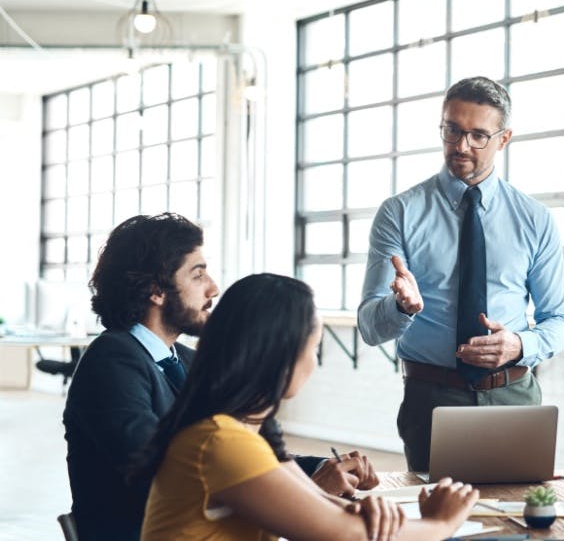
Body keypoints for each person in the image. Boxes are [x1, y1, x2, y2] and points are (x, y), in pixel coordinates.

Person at [63, 213, 372, 540]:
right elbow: (164, 476)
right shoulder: (110, 361)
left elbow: (244, 449)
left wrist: (321, 468)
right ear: (156, 290)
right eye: (198, 276)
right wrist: (306, 492)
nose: (213, 288)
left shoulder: (187, 359)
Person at [137, 273, 478, 540]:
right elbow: (348, 536)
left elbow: (330, 513)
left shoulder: (242, 433)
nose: (313, 362)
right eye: (313, 347)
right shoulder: (222, 441)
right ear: (282, 355)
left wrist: (361, 511)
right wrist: (442, 522)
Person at [358, 76, 564, 471]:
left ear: (503, 139)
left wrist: (520, 346)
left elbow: (560, 321)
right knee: (437, 524)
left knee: (520, 522)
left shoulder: (535, 219)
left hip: (514, 396)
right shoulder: (400, 213)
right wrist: (400, 308)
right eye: (452, 130)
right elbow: (371, 328)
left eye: (478, 135)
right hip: (431, 399)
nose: (461, 146)